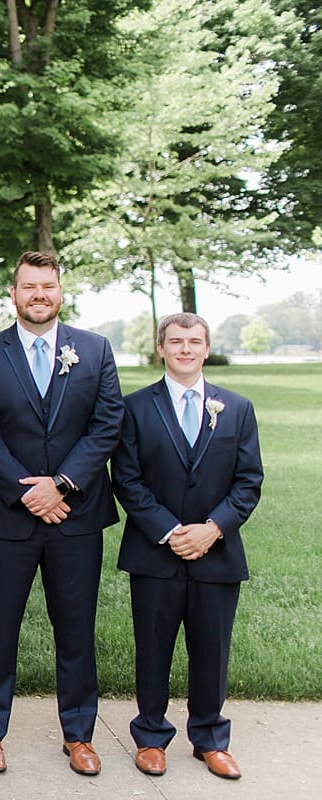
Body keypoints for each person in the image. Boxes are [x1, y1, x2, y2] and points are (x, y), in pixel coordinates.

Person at [0, 251, 123, 775]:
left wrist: (63, 485)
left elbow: (107, 423)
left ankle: (79, 734)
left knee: (75, 627)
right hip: (6, 515)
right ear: (14, 293)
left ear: (60, 291)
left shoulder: (94, 350)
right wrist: (25, 489)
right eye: (29, 286)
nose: (39, 295)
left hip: (77, 514)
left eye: (47, 287)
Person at [111, 312, 262, 780]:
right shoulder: (135, 407)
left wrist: (212, 529)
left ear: (206, 347)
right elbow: (127, 479)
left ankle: (210, 738)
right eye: (175, 342)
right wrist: (171, 530)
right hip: (156, 552)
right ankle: (151, 736)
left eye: (194, 342)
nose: (185, 350)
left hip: (217, 553)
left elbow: (248, 481)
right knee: (152, 647)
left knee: (212, 649)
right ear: (161, 348)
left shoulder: (236, 408)